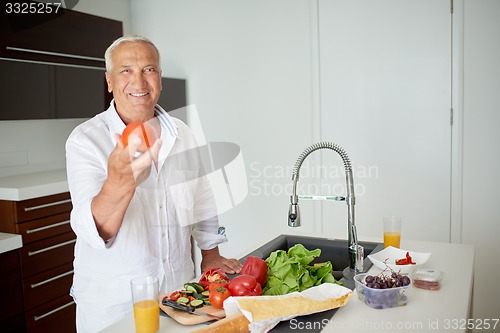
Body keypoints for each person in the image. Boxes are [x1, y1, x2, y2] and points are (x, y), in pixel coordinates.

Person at [65, 34, 242, 333]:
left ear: (160, 79)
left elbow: (202, 198)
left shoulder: (183, 132)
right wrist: (119, 184)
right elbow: (95, 231)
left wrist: (210, 254)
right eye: (126, 71)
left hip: (179, 297)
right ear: (109, 81)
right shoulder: (86, 140)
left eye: (149, 69)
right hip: (113, 307)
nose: (139, 81)